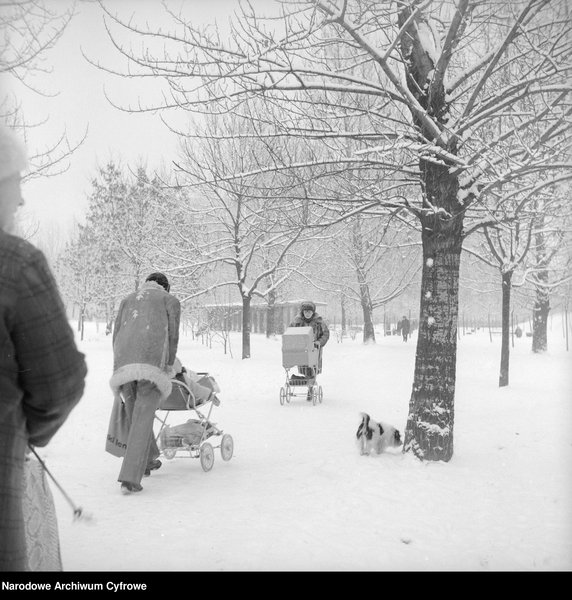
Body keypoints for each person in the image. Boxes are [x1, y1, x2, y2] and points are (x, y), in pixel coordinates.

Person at [0, 125, 87, 570]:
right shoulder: (15, 263)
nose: (20, 199)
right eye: (15, 181)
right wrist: (23, 433)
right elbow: (59, 384)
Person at [109, 272, 181, 494]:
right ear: (165, 288)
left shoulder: (127, 300)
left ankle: (149, 459)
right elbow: (173, 336)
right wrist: (169, 364)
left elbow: (116, 334)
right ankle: (130, 478)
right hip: (150, 365)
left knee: (135, 416)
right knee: (142, 420)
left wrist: (119, 363)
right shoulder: (170, 301)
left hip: (124, 365)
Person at [289, 300, 330, 399]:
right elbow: (290, 332)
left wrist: (319, 342)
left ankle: (310, 389)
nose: (307, 313)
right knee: (304, 368)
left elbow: (325, 334)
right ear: (302, 312)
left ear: (313, 312)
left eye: (310, 312)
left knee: (313, 368)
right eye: (305, 311)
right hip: (302, 349)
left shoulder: (319, 322)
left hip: (315, 349)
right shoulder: (296, 321)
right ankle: (308, 384)